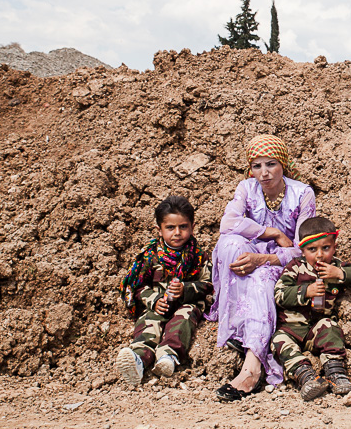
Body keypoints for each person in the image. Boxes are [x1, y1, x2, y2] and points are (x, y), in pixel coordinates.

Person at [206, 134, 316, 401]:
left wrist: (264, 259)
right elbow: (228, 224)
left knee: (261, 278)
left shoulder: (302, 194)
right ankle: (236, 325)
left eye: (271, 164)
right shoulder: (246, 188)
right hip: (255, 252)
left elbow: (303, 247)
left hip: (284, 262)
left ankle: (252, 367)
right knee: (229, 244)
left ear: (283, 164)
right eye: (257, 166)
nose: (264, 173)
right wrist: (271, 232)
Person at [116, 195, 212, 384]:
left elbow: (209, 284)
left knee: (183, 319)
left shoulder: (198, 256)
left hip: (187, 304)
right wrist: (153, 300)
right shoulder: (150, 256)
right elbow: (136, 286)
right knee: (149, 322)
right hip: (158, 305)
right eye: (170, 228)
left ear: (192, 227)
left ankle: (168, 357)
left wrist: (186, 289)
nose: (177, 233)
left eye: (183, 227)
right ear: (159, 230)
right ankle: (138, 360)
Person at [271, 217, 351, 401]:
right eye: (312, 249)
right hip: (292, 328)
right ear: (302, 250)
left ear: (334, 246)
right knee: (278, 341)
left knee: (330, 326)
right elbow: (279, 294)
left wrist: (339, 274)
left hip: (317, 328)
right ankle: (306, 376)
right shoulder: (295, 268)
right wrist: (305, 291)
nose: (319, 255)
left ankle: (336, 373)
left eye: (326, 248)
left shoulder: (336, 266)